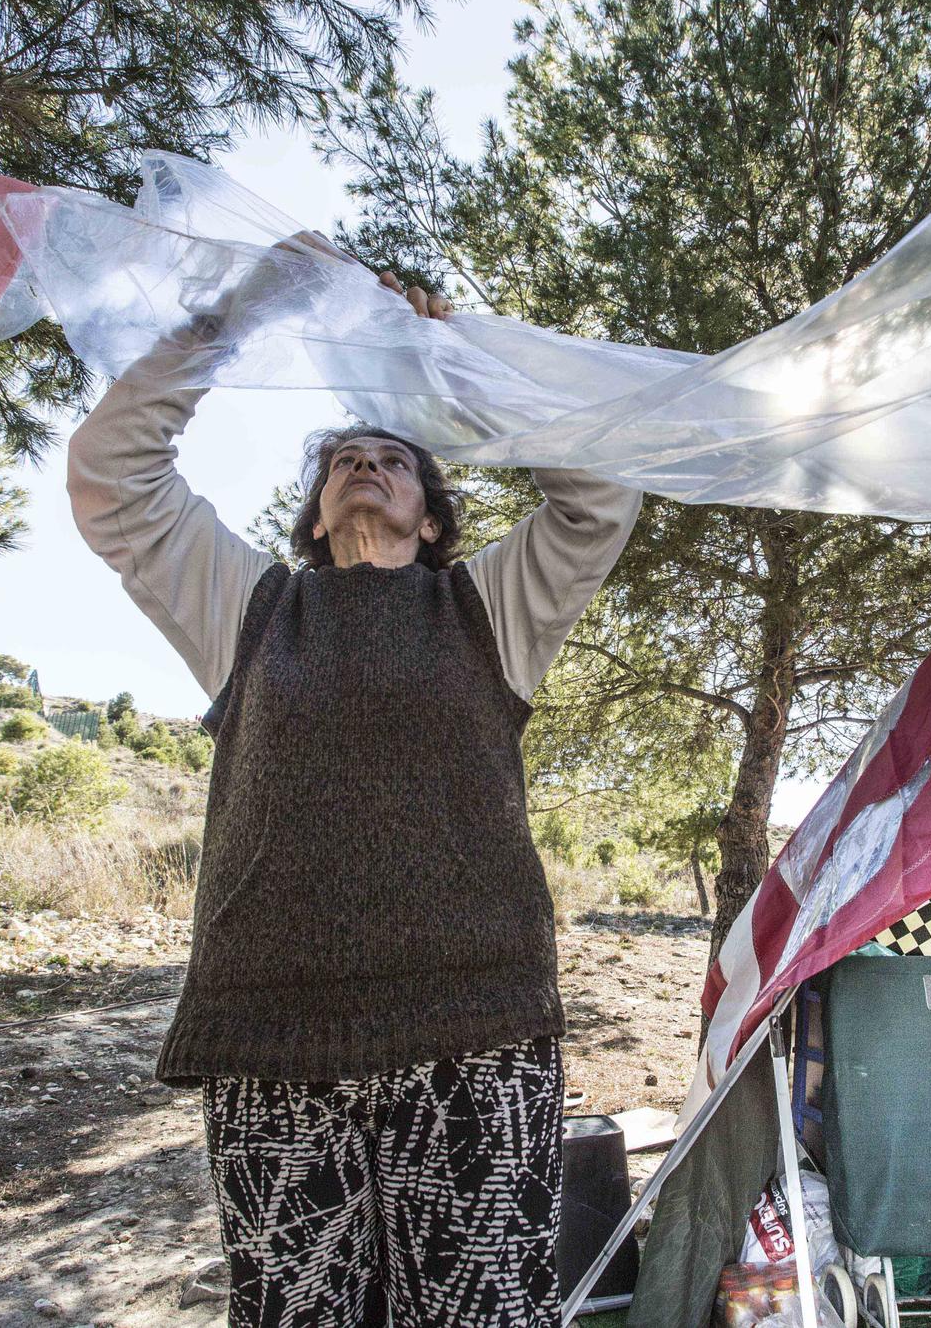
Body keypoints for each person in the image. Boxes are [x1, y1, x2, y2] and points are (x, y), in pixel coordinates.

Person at [66, 256, 642, 1327]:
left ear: (431, 517)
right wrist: (230, 322)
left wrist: (451, 366)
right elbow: (112, 473)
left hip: (478, 1030)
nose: (363, 464)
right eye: (341, 459)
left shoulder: (487, 611)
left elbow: (599, 494)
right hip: (274, 1035)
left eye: (392, 458)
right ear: (316, 512)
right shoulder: (247, 606)